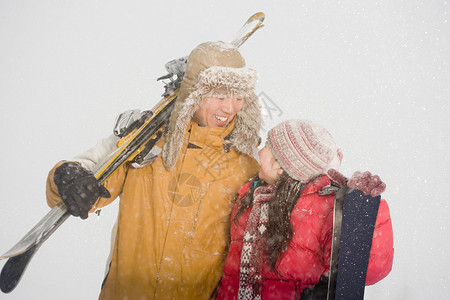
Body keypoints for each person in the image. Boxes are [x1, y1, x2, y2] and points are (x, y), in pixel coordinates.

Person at [45, 41, 263, 299]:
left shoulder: (247, 164)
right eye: (220, 96)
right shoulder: (147, 142)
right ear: (194, 93)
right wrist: (68, 179)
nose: (229, 108)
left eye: (238, 98)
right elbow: (96, 182)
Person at [216, 119, 394, 300]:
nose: (260, 151)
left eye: (268, 146)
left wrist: (364, 212)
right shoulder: (250, 196)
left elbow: (367, 271)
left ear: (281, 166)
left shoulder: (324, 209)